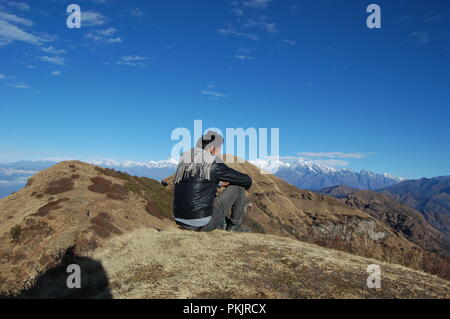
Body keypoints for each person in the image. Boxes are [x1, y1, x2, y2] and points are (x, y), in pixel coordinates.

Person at [172, 130, 253, 232]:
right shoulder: (212, 163)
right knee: (239, 186)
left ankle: (222, 223)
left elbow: (196, 182)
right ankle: (235, 225)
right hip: (202, 223)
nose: (219, 151)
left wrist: (218, 183)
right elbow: (246, 180)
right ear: (212, 148)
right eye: (219, 148)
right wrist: (230, 182)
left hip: (180, 220)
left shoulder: (185, 161)